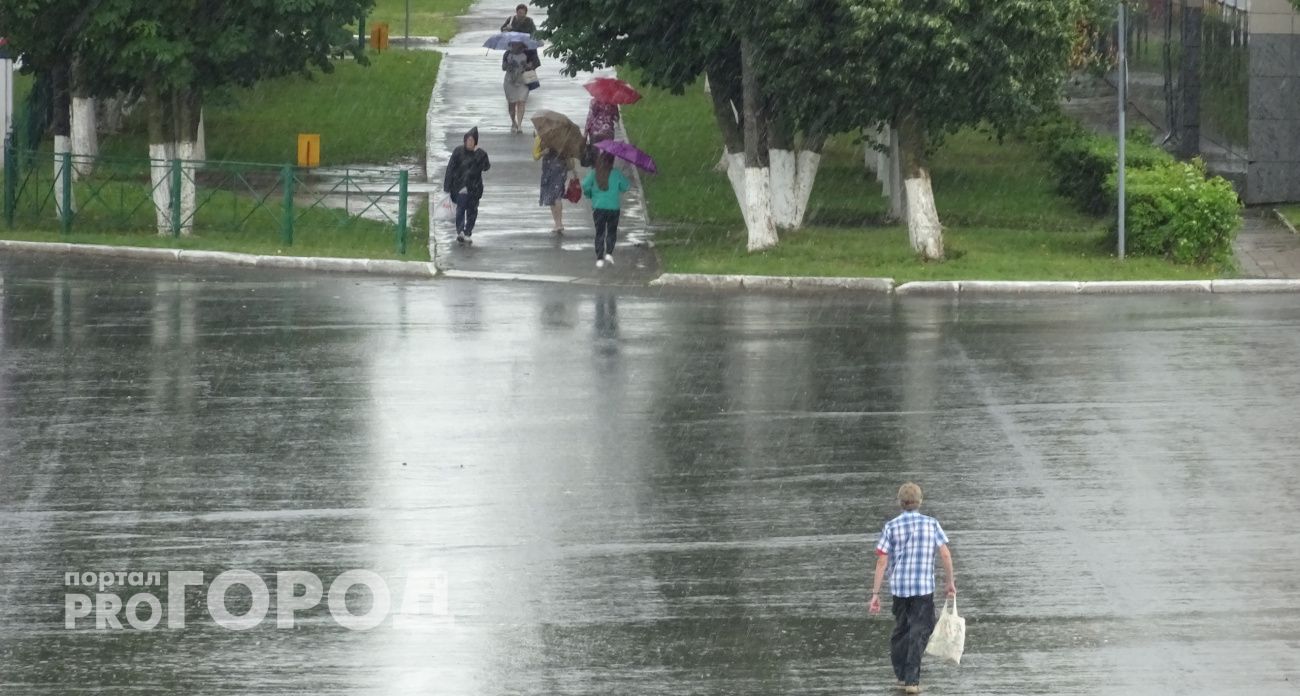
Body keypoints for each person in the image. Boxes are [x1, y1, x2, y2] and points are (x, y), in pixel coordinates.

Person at [868, 482, 957, 695]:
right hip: (923, 588)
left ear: (900, 503)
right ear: (920, 502)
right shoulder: (931, 524)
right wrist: (950, 581)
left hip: (899, 589)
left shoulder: (891, 526)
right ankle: (911, 681)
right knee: (921, 630)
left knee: (902, 630)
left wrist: (875, 594)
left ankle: (901, 676)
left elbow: (882, 561)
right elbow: (945, 554)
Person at [582, 152, 630, 269]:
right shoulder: (616, 173)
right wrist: (620, 178)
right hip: (613, 208)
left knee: (600, 232)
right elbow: (626, 187)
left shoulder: (594, 173)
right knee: (612, 231)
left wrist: (590, 194)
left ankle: (599, 257)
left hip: (598, 208)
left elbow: (585, 185)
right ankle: (609, 252)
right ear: (612, 161)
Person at [443, 127, 490, 245]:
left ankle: (468, 231)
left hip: (475, 189)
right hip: (461, 188)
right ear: (465, 140)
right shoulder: (458, 152)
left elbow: (486, 167)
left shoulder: (479, 155)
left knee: (472, 211)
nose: (470, 142)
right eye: (468, 140)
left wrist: (483, 156)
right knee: (460, 210)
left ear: (475, 142)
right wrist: (447, 186)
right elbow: (450, 168)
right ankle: (460, 232)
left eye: (472, 140)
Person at [534, 139, 575, 234]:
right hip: (561, 169)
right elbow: (570, 156)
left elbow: (535, 156)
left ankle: (558, 223)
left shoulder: (541, 137)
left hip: (548, 170)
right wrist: (574, 171)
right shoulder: (564, 137)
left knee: (552, 197)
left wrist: (542, 153)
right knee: (557, 196)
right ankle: (558, 223)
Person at [502, 42, 539, 134]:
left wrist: (528, 66)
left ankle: (519, 125)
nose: (516, 46)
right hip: (510, 81)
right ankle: (513, 122)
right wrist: (508, 65)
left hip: (523, 81)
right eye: (514, 44)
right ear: (511, 45)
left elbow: (534, 64)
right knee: (511, 103)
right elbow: (503, 67)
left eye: (518, 44)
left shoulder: (527, 53)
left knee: (521, 102)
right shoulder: (507, 54)